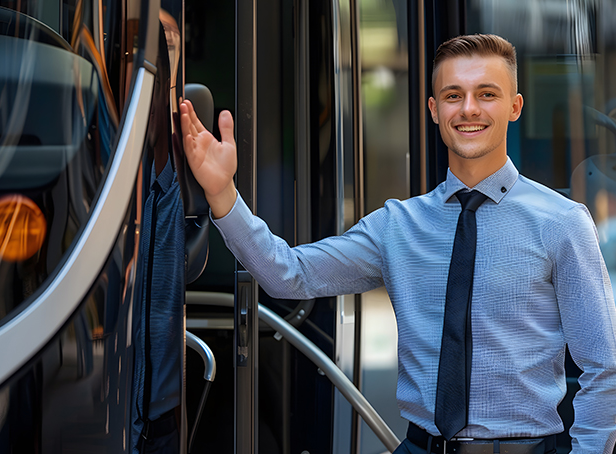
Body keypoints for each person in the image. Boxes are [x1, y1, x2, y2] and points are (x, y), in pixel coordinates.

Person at [179, 34, 616, 453]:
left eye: (486, 94)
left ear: (514, 106)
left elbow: (605, 367)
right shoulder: (398, 225)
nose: (468, 109)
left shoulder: (562, 222)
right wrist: (222, 193)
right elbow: (287, 274)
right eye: (452, 95)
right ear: (433, 108)